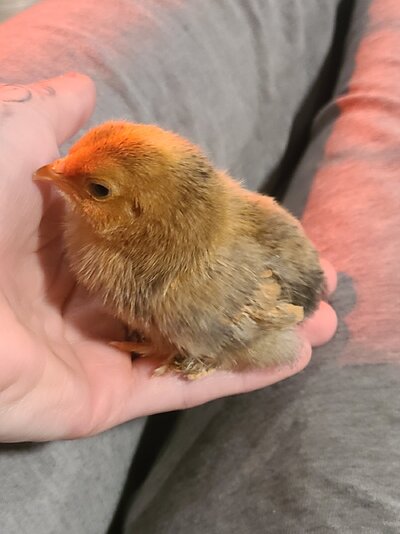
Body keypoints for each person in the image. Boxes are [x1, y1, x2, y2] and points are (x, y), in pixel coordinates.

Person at [1, 0, 399, 532]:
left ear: (135, 218)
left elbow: (278, 313)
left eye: (95, 188)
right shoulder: (118, 229)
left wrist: (196, 355)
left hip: (269, 288)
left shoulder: (188, 289)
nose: (54, 169)